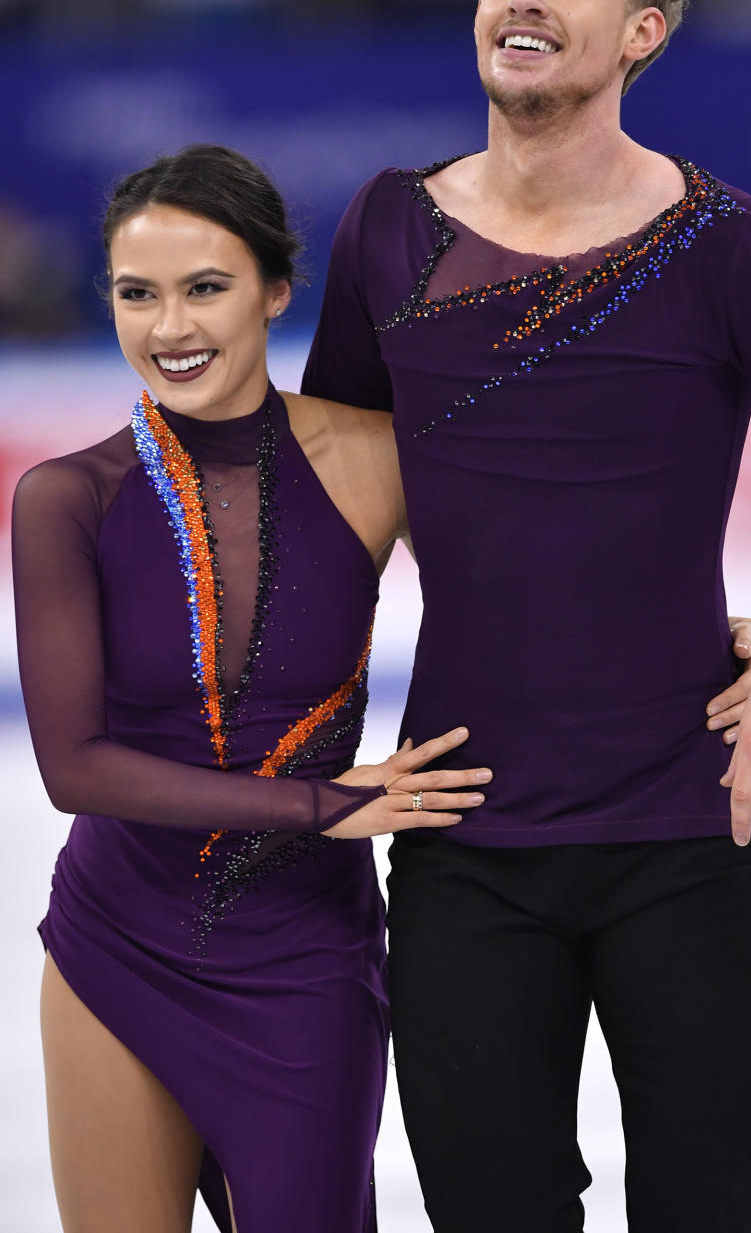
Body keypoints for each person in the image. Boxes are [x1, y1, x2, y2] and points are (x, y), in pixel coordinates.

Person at [301, 0, 751, 1233]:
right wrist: (292, 754)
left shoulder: (726, 245)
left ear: (640, 31)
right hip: (466, 839)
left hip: (688, 836)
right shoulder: (387, 233)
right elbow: (339, 503)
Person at [11, 144, 497, 1233]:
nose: (169, 327)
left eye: (205, 288)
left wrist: (722, 640)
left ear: (277, 290)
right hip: (114, 942)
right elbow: (71, 768)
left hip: (304, 962)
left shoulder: (378, 459)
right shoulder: (66, 498)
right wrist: (329, 805)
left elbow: (533, 590)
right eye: (138, 294)